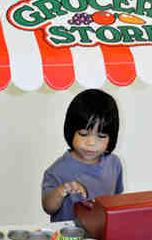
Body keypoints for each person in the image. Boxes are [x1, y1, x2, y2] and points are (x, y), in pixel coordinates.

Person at [42, 89, 124, 222]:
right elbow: (48, 208)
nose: (91, 143)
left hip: (103, 232)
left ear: (111, 137)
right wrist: (62, 191)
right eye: (83, 134)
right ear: (71, 131)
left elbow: (116, 200)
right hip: (70, 234)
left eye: (101, 136)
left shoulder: (114, 164)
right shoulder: (58, 170)